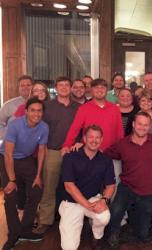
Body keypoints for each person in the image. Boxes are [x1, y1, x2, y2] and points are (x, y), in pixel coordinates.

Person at [104, 112, 152, 248]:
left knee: (143, 234)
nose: (142, 127)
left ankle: (135, 221)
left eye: (146, 125)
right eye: (139, 124)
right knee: (116, 210)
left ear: (150, 126)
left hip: (147, 190)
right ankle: (113, 233)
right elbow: (104, 153)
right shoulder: (122, 143)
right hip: (127, 186)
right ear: (133, 124)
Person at [0, 97, 49, 250]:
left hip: (26, 159)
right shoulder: (15, 124)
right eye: (33, 110)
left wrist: (37, 175)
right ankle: (14, 234)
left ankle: (26, 229)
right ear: (26, 111)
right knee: (10, 194)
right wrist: (12, 180)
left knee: (36, 190)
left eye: (39, 110)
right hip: (6, 159)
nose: (36, 113)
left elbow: (41, 150)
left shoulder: (44, 127)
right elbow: (8, 154)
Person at [59, 125, 116, 250]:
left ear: (101, 140)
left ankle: (97, 236)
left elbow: (111, 185)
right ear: (84, 138)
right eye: (90, 137)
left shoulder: (106, 160)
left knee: (104, 216)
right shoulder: (70, 156)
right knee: (69, 248)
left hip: (92, 198)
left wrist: (103, 200)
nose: (94, 140)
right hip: (71, 202)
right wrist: (86, 205)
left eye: (97, 138)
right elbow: (69, 186)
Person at [35, 76, 80, 234]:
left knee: (73, 186)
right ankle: (45, 220)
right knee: (49, 186)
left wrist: (78, 143)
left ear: (71, 87)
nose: (64, 87)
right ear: (56, 87)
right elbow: (40, 129)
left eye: (67, 85)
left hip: (73, 152)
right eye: (60, 85)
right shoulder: (47, 106)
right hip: (53, 151)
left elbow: (82, 129)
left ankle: (73, 218)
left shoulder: (78, 107)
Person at [62, 78, 123, 153]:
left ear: (107, 90)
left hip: (110, 152)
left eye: (102, 88)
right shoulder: (83, 108)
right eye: (96, 88)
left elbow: (119, 131)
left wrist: (120, 150)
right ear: (91, 90)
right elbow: (74, 128)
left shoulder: (115, 109)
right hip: (89, 152)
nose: (99, 90)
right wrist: (67, 145)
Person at [0, 75, 33, 139]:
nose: (25, 87)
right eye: (22, 85)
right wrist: (9, 136)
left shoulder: (41, 104)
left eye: (28, 85)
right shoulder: (8, 105)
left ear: (33, 87)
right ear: (18, 88)